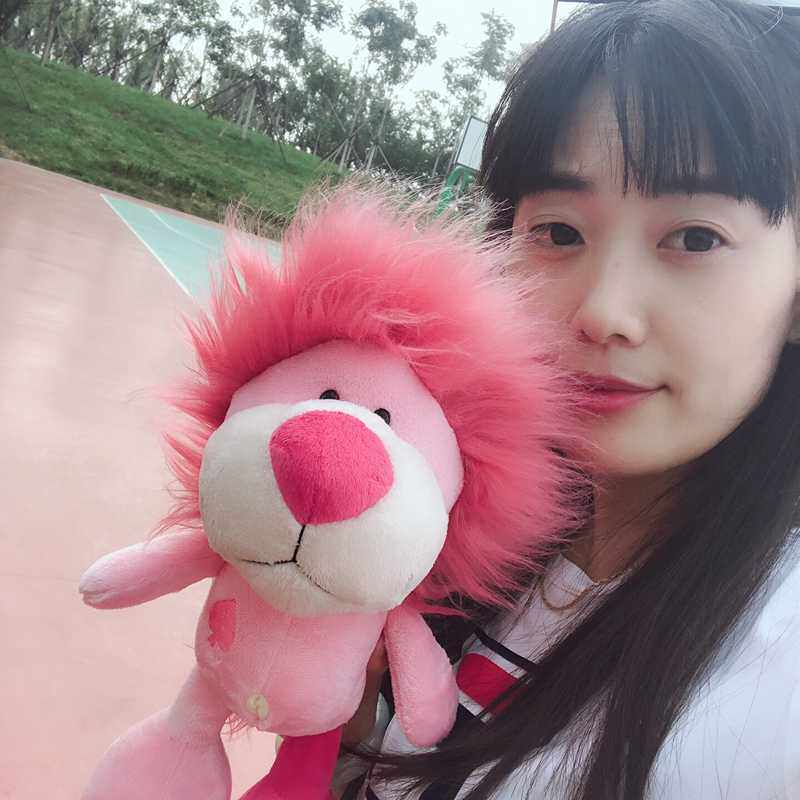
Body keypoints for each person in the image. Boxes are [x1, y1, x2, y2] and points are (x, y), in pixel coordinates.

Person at [334, 0, 800, 798]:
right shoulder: (459, 538)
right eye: (557, 233)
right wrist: (346, 720)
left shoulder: (773, 679)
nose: (604, 311)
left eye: (695, 238)